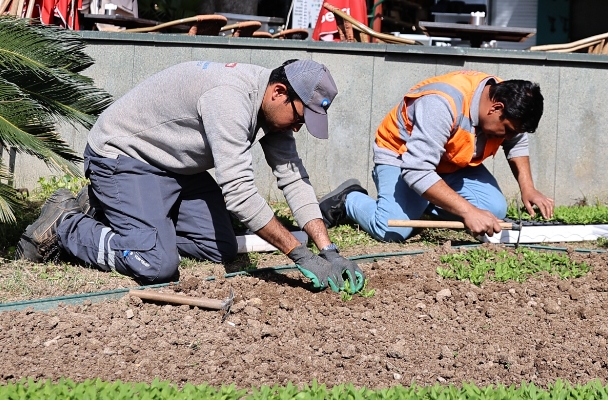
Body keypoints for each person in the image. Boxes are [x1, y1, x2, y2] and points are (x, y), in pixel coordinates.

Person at [16, 59, 365, 292]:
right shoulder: (230, 100)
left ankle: (123, 215)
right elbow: (241, 195)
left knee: (220, 247)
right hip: (126, 157)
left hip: (173, 166)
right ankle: (66, 226)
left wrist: (328, 250)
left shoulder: (271, 101)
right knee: (155, 264)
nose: (299, 127)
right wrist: (301, 256)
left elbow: (293, 178)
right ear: (279, 93)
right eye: (301, 117)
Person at [319, 70, 553, 242]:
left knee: (494, 211)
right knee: (390, 231)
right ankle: (348, 200)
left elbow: (517, 138)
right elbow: (417, 170)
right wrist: (467, 210)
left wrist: (528, 187)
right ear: (496, 109)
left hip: (450, 161)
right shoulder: (441, 104)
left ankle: (425, 198)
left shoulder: (506, 96)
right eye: (508, 130)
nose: (509, 136)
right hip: (404, 159)